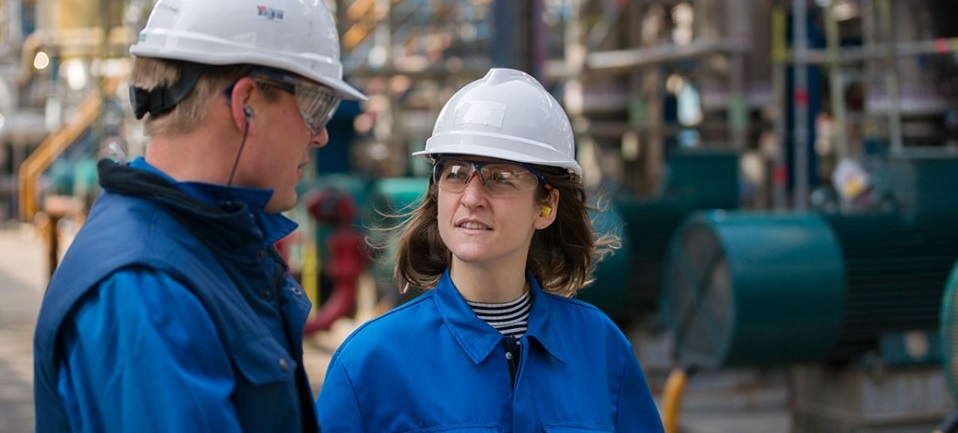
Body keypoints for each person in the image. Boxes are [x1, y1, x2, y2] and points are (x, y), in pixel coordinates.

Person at [32, 0, 365, 432]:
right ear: (245, 103)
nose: (320, 134)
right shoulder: (147, 292)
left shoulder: (200, 250)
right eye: (315, 105)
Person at [316, 68, 665, 432]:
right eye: (454, 173)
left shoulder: (600, 348)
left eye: (500, 178)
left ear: (545, 206)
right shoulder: (373, 360)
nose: (470, 197)